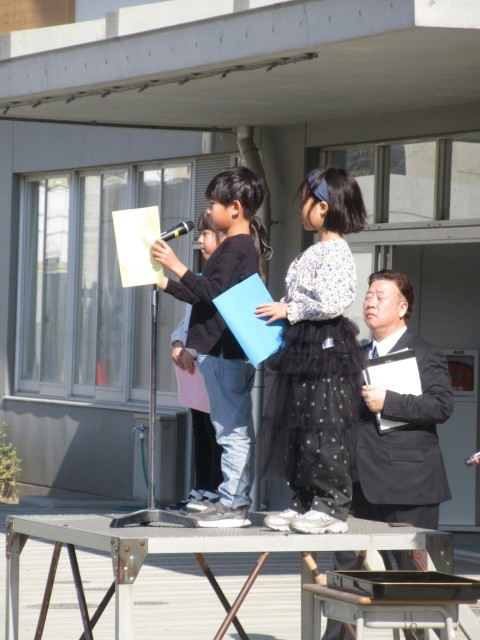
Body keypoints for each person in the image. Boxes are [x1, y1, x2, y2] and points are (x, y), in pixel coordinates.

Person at [322, 268, 454, 640]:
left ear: (402, 307)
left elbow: (442, 406)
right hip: (356, 483)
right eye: (368, 295)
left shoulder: (426, 353)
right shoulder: (355, 355)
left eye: (381, 296)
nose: (370, 302)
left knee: (410, 583)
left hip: (409, 486)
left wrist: (390, 402)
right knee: (344, 575)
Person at [152, 166, 271, 528]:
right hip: (225, 353)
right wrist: (166, 283)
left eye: (213, 204)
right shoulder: (237, 247)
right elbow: (203, 294)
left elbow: (211, 293)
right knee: (229, 428)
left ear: (235, 208)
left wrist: (176, 266)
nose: (209, 211)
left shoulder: (236, 247)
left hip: (225, 353)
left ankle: (233, 503)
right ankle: (231, 500)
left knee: (231, 431)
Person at [256, 166, 367, 534]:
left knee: (324, 422)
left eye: (304, 200)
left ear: (323, 207)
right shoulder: (316, 250)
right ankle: (305, 499)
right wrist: (287, 308)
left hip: (324, 346)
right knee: (301, 422)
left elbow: (333, 301)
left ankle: (331, 504)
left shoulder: (336, 251)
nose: (300, 208)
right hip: (306, 343)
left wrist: (290, 309)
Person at [167, 211, 224, 513]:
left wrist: (192, 350)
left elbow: (217, 325)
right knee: (200, 430)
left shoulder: (223, 280)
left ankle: (215, 490)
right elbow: (187, 321)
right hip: (194, 369)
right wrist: (178, 343)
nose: (200, 240)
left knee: (217, 432)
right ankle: (201, 487)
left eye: (206, 234)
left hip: (215, 363)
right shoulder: (201, 278)